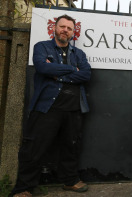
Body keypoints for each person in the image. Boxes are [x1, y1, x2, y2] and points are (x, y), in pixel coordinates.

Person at [11, 14, 91, 197]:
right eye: (62, 26)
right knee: (34, 148)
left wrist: (58, 73)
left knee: (70, 147)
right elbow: (42, 67)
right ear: (55, 28)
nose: (65, 30)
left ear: (73, 32)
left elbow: (86, 75)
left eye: (69, 28)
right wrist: (72, 70)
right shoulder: (42, 47)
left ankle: (70, 181)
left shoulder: (79, 54)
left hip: (73, 108)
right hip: (47, 107)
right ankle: (23, 188)